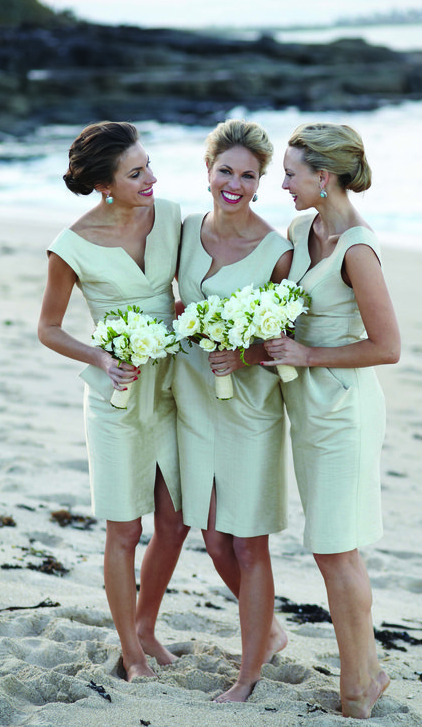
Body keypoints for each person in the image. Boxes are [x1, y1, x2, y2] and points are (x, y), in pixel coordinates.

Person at [37, 121, 189, 681]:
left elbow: (192, 284)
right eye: (136, 172)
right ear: (105, 183)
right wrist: (99, 357)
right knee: (125, 529)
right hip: (115, 397)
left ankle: (147, 626)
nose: (151, 177)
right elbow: (49, 328)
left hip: (174, 387)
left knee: (175, 523)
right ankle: (130, 649)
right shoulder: (71, 244)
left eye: (148, 164)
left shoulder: (171, 215)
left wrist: (185, 309)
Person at [263, 122, 400, 719]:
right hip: (306, 408)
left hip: (344, 409)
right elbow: (275, 302)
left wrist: (307, 354)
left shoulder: (357, 249)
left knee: (334, 548)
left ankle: (357, 689)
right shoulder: (301, 228)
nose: (282, 181)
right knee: (331, 546)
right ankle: (368, 672)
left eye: (291, 172)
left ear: (324, 177)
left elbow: (388, 346)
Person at [172, 119, 292, 702]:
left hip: (249, 411)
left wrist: (241, 355)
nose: (235, 184)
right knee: (215, 540)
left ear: (261, 181)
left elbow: (282, 342)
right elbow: (174, 298)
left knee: (248, 543)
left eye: (249, 175)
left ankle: (248, 677)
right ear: (209, 171)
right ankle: (267, 631)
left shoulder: (276, 252)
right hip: (194, 403)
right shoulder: (185, 230)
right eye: (227, 171)